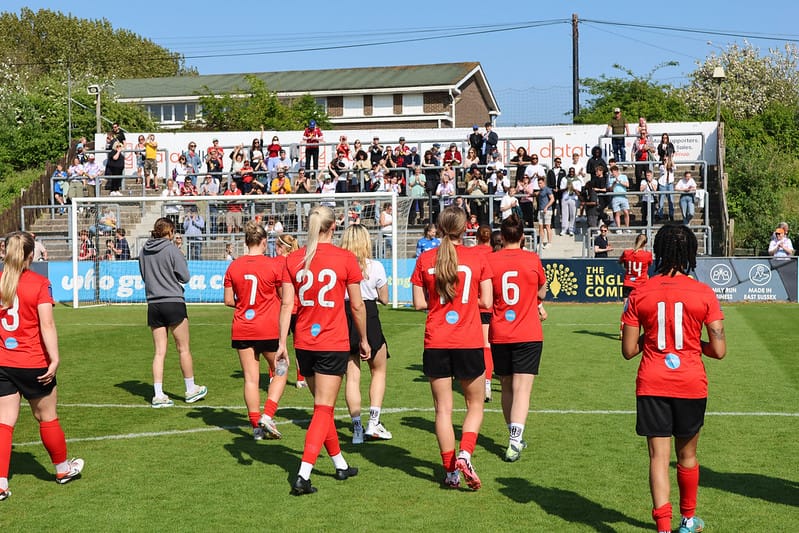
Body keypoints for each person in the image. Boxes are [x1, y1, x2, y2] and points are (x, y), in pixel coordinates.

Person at [621, 224, 726, 533]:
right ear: (691, 253)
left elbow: (628, 350)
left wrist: (651, 339)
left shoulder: (640, 292)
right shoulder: (704, 292)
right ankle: (688, 520)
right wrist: (694, 344)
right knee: (688, 455)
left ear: (659, 253)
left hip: (652, 381)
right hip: (691, 382)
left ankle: (663, 528)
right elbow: (719, 350)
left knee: (657, 457)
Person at [277, 206, 367, 495]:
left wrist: (281, 343)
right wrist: (364, 339)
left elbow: (287, 305)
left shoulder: (293, 258)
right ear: (333, 227)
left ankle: (340, 463)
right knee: (324, 408)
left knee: (322, 408)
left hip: (304, 341)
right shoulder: (345, 258)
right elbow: (357, 305)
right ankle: (303, 474)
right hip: (332, 341)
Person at [411, 206, 493, 490]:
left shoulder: (425, 258)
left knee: (442, 410)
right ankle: (465, 454)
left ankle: (450, 472)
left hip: (436, 340)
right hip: (468, 339)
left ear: (440, 226)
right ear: (465, 228)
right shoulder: (477, 257)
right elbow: (486, 301)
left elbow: (419, 304)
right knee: (475, 404)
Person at [0, 232, 85, 501]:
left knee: (3, 422)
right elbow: (46, 324)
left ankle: (1, 483)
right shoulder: (39, 282)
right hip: (33, 362)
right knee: (47, 417)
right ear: (30, 255)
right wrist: (55, 357)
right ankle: (62, 470)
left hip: (3, 362)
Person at [485, 215, 547, 462]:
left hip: (500, 331)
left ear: (501, 236)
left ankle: (514, 437)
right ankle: (514, 440)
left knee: (507, 387)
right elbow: (541, 290)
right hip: (528, 332)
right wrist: (536, 302)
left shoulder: (490, 260)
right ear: (522, 236)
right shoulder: (532, 259)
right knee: (522, 389)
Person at [224, 220, 288, 441]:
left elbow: (228, 300)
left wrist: (246, 306)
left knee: (250, 379)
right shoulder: (273, 265)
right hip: (268, 327)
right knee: (281, 369)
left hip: (242, 327)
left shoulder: (234, 266)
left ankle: (256, 428)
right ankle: (268, 415)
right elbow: (283, 296)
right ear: (264, 241)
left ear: (245, 241)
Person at [138, 218, 208, 408]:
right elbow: (185, 276)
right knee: (183, 348)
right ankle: (190, 388)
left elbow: (144, 276)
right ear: (169, 232)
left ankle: (158, 394)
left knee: (159, 352)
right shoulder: (171, 249)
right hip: (173, 301)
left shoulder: (144, 250)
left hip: (153, 303)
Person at [339, 225, 392, 444]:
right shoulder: (375, 266)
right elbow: (385, 298)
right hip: (367, 315)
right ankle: (374, 422)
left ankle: (357, 428)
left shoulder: (339, 265)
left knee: (352, 376)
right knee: (378, 370)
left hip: (344, 316)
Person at [618, 233, 653, 337]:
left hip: (628, 283)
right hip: (641, 285)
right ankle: (644, 330)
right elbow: (648, 265)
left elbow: (621, 262)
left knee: (626, 308)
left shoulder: (627, 253)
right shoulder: (647, 255)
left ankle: (622, 330)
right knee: (642, 309)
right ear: (645, 243)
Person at [608, 165, 631, 232]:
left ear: (617, 171)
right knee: (617, 213)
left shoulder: (624, 176)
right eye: (612, 172)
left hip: (623, 196)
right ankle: (618, 228)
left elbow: (627, 185)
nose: (613, 173)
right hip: (615, 197)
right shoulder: (611, 179)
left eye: (614, 172)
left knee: (626, 212)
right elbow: (610, 189)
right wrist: (614, 184)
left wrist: (620, 181)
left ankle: (627, 228)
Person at [536, 177, 555, 249]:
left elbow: (552, 199)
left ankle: (549, 242)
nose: (539, 184)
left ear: (544, 183)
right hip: (540, 210)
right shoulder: (540, 191)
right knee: (540, 227)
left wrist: (546, 207)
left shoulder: (547, 189)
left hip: (547, 210)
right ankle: (541, 242)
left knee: (547, 226)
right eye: (538, 183)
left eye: (540, 183)